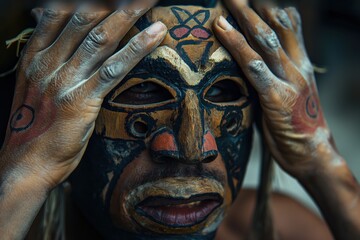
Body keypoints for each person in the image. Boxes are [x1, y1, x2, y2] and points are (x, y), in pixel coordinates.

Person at [0, 0, 359, 239]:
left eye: (222, 92)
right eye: (142, 92)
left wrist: (321, 164)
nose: (193, 147)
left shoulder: (277, 229)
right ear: (51, 105)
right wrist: (24, 178)